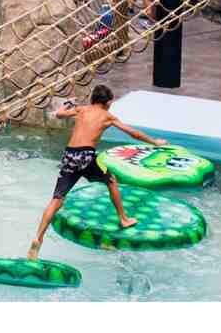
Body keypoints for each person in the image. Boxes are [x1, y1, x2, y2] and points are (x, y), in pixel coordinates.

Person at [27, 85, 167, 260]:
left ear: (92, 99)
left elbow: (59, 114)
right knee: (111, 180)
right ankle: (124, 219)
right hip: (86, 155)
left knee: (57, 199)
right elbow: (133, 134)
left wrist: (68, 103)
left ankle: (38, 238)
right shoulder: (107, 116)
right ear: (107, 103)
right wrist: (155, 142)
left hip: (69, 155)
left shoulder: (81, 109)